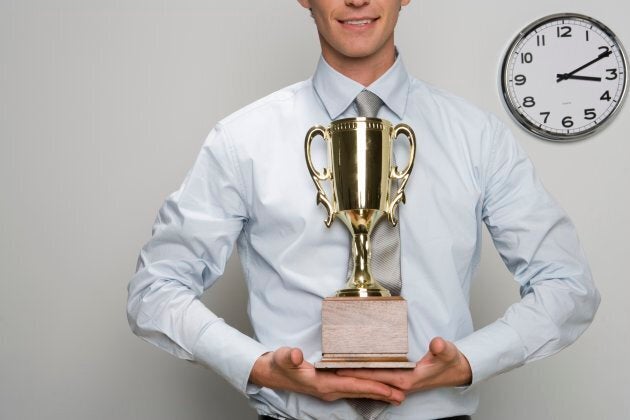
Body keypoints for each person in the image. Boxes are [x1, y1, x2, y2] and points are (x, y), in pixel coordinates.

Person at [127, 1, 600, 419]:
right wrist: (258, 367)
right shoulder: (243, 140)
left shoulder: (478, 137)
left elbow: (568, 286)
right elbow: (155, 290)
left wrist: (472, 360)